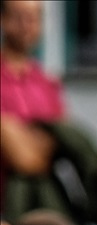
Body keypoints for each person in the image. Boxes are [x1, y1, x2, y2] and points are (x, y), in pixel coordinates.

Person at [0, 0, 64, 211]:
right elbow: (22, 157)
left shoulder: (46, 83)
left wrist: (17, 137)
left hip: (40, 206)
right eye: (19, 17)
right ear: (3, 19)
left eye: (34, 18)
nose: (26, 25)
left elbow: (57, 143)